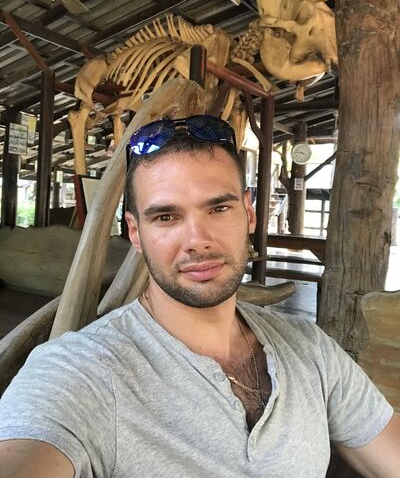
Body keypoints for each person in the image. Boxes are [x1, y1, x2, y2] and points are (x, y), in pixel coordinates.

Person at [0, 115, 399, 478]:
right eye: (166, 217)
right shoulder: (81, 371)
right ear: (135, 233)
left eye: (218, 209)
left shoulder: (310, 349)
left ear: (248, 213)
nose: (197, 240)